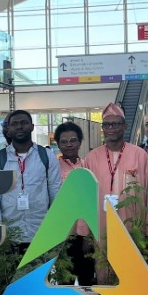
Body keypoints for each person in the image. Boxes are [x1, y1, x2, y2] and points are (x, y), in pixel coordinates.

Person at [0, 110, 62, 247]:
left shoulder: (47, 156)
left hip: (41, 233)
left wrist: (55, 227)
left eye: (24, 123)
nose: (20, 127)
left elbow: (55, 191)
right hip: (10, 236)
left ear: (32, 127)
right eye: (15, 124)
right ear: (8, 129)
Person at [84, 102, 148, 236]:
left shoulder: (139, 155)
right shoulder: (92, 157)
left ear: (125, 126)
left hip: (132, 224)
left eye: (116, 124)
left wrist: (147, 230)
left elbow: (145, 196)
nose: (111, 128)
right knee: (102, 255)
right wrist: (88, 232)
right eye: (106, 124)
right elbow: (87, 197)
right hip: (101, 223)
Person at [54, 121, 93, 285]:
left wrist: (90, 235)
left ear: (80, 142)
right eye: (64, 141)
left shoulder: (89, 166)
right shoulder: (53, 167)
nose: (69, 145)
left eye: (73, 140)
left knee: (87, 279)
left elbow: (93, 201)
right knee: (64, 279)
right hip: (62, 233)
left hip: (86, 232)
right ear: (58, 144)